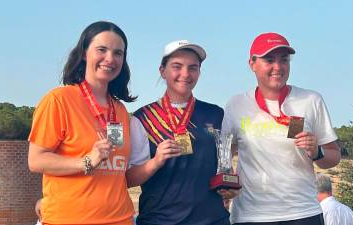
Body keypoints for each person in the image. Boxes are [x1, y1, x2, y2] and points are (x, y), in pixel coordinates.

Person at [222, 32, 341, 225]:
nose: (278, 67)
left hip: (302, 213)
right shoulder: (236, 104)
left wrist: (317, 151)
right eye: (269, 60)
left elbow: (334, 156)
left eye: (284, 60)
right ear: (252, 64)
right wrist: (226, 184)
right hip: (250, 216)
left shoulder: (311, 100)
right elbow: (225, 153)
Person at [28, 21, 137, 225]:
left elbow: (119, 171)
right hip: (69, 219)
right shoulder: (59, 100)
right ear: (85, 53)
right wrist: (86, 161)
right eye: (101, 50)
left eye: (118, 53)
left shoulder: (120, 110)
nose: (110, 59)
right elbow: (36, 161)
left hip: (120, 219)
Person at [126, 40, 233, 225]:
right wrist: (156, 161)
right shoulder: (143, 117)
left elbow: (224, 166)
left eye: (193, 68)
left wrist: (229, 188)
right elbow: (129, 178)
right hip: (160, 220)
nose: (185, 74)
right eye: (177, 66)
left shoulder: (215, 113)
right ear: (162, 70)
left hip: (212, 219)